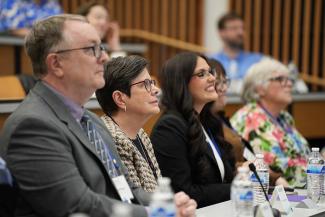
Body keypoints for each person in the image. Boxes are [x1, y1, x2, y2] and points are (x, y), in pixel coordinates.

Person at [0, 14, 196, 217]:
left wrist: (167, 202)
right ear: (56, 64)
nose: (104, 57)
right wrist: (154, 213)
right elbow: (78, 204)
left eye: (101, 48)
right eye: (91, 49)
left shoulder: (90, 120)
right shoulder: (33, 126)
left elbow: (126, 189)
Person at [150, 52, 236, 208]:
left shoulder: (207, 121)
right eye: (202, 74)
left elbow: (222, 178)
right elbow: (184, 192)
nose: (212, 78)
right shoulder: (169, 127)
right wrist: (237, 189)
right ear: (182, 83)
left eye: (210, 72)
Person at [206, 58, 289, 187]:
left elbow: (248, 156)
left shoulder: (220, 119)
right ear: (260, 88)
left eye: (225, 82)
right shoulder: (249, 118)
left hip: (255, 182)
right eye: (218, 83)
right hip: (240, 188)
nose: (224, 88)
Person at [230, 58, 310, 187]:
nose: (289, 84)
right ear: (260, 88)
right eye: (280, 79)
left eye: (289, 79)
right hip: (278, 194)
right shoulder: (249, 118)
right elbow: (274, 166)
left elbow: (302, 155)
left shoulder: (284, 117)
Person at [95, 55, 161, 193]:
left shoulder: (140, 133)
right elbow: (133, 200)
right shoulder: (112, 140)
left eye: (152, 82)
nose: (156, 90)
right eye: (145, 85)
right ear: (120, 98)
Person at [210, 12, 263, 94]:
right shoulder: (210, 61)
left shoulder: (257, 60)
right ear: (221, 33)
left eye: (242, 28)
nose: (240, 32)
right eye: (234, 28)